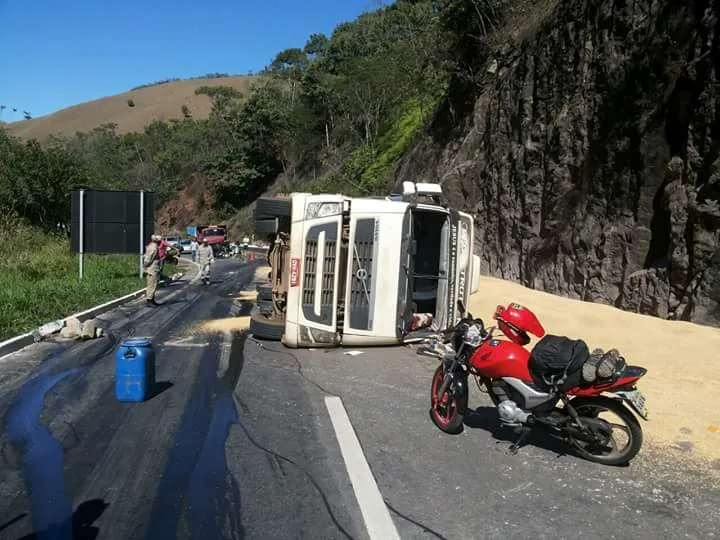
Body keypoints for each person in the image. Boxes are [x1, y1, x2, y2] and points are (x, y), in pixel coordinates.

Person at [143, 234, 162, 306]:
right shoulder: (154, 247)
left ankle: (152, 299)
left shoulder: (150, 245)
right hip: (153, 268)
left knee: (150, 284)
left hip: (150, 268)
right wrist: (145, 265)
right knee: (153, 284)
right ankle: (150, 300)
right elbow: (149, 258)